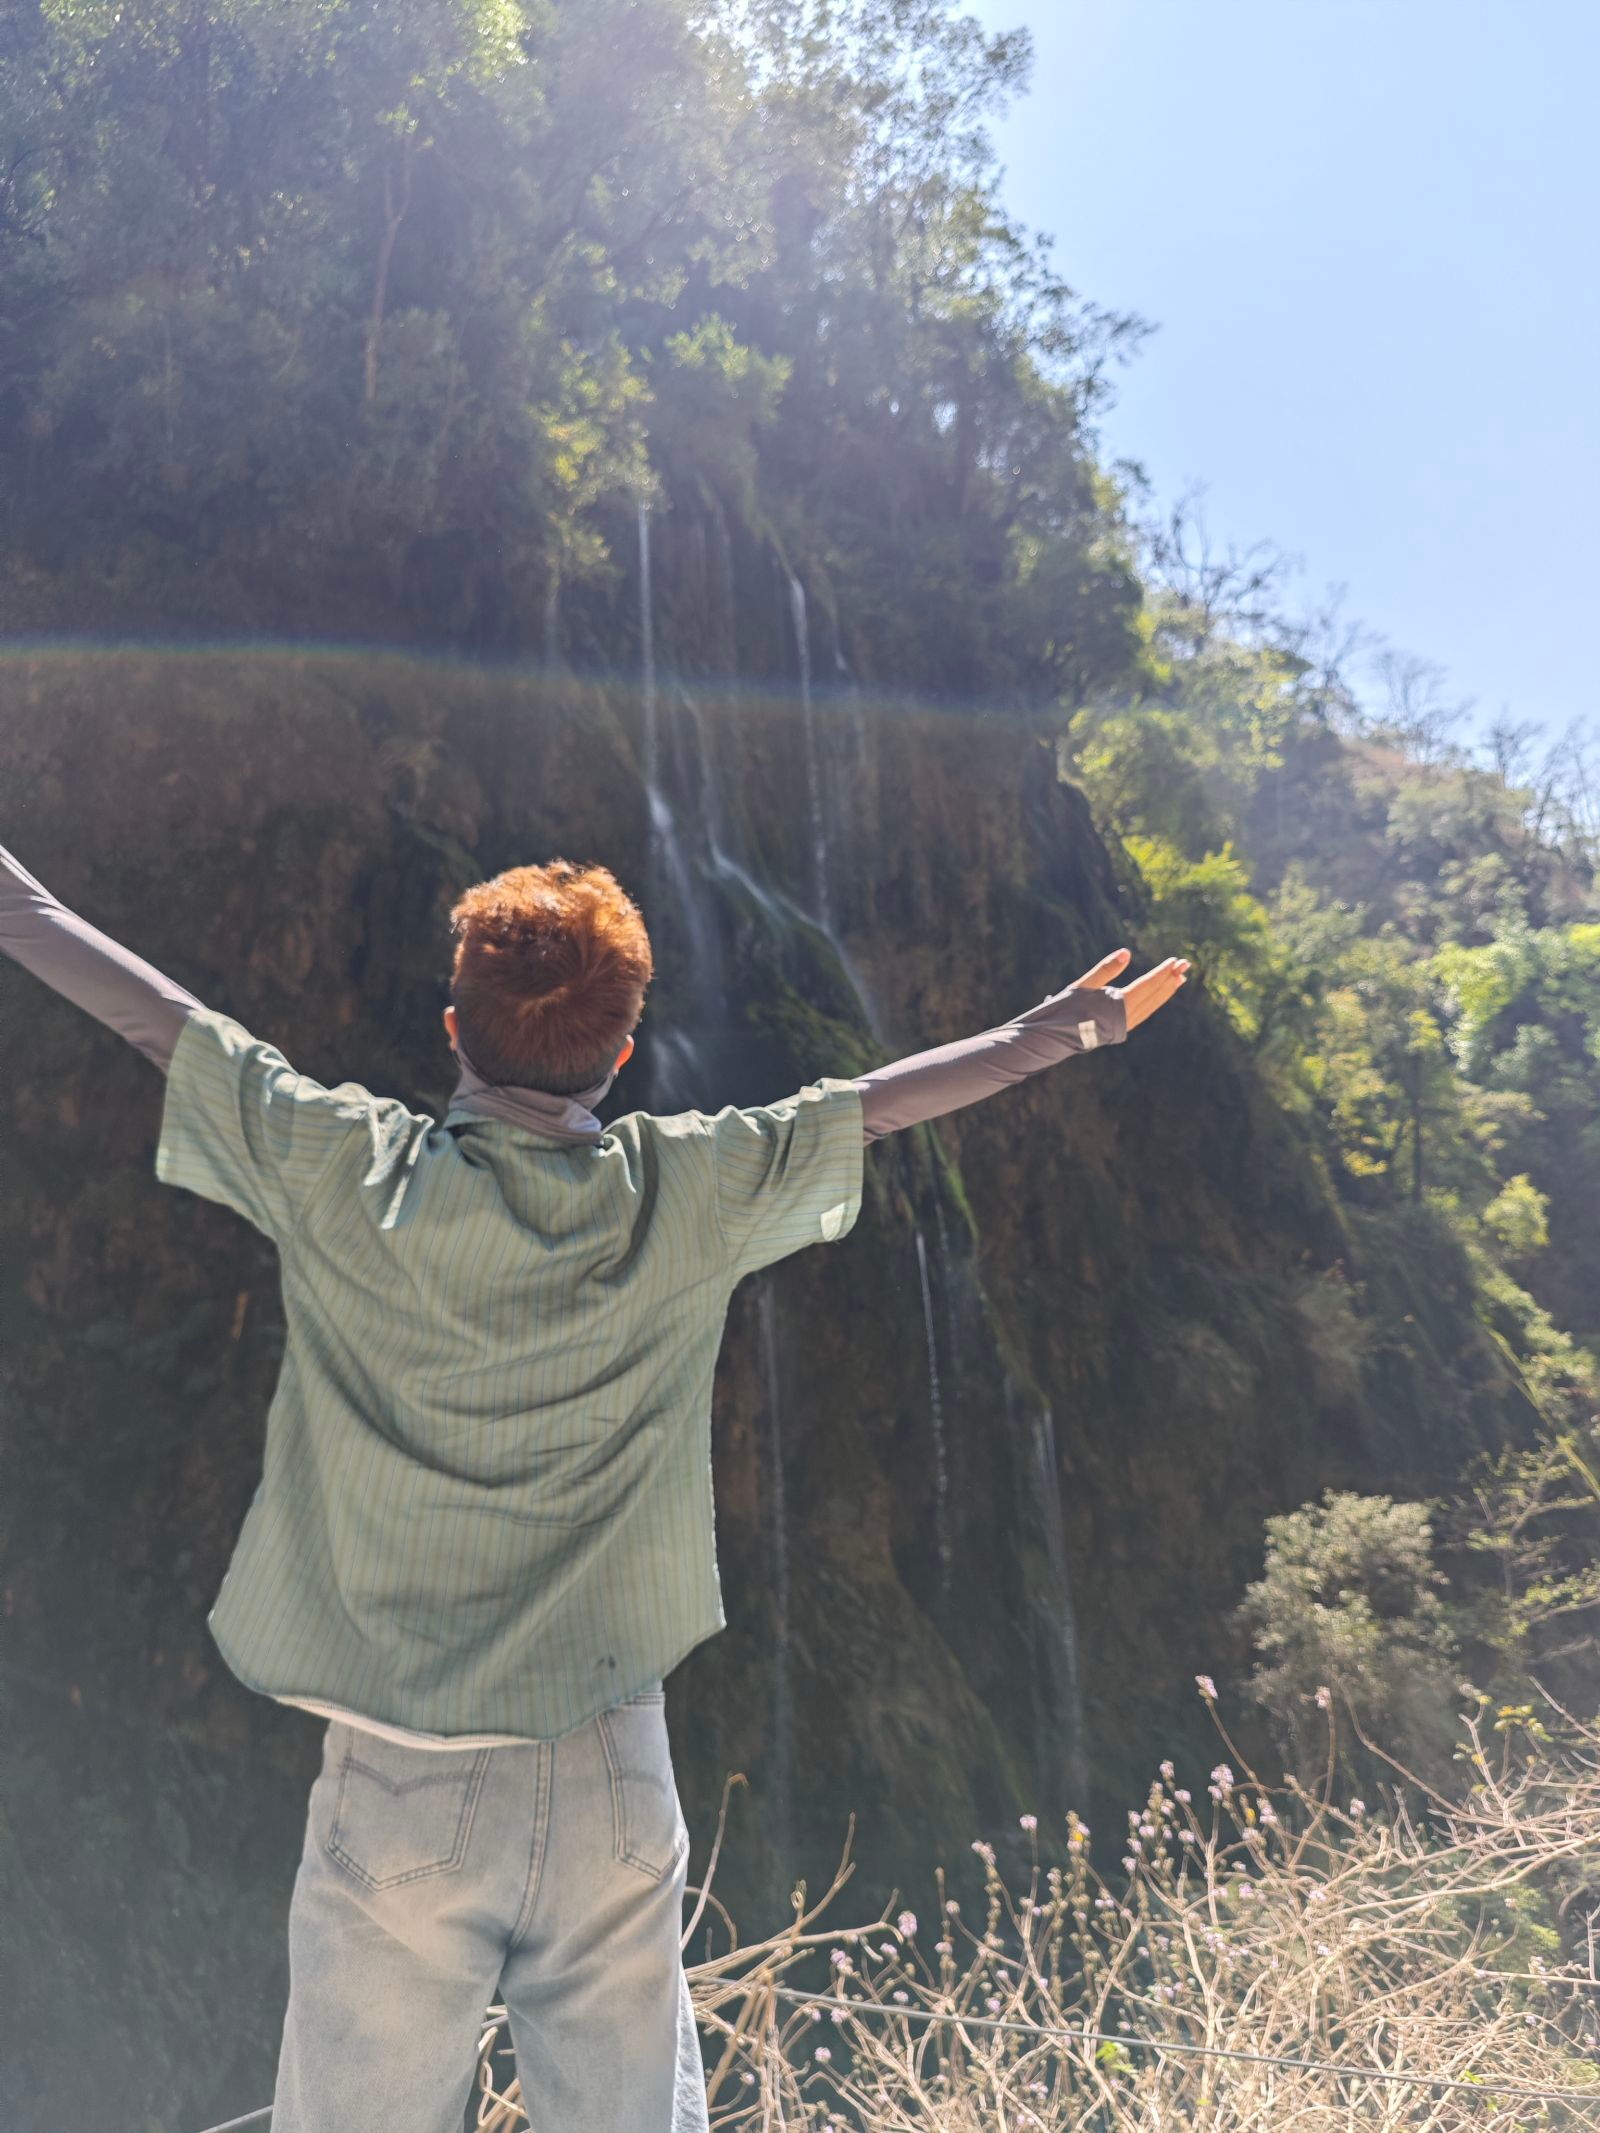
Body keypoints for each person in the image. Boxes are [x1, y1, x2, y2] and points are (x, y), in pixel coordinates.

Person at [0, 831, 1188, 2131]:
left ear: (456, 1025)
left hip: (402, 1778)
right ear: (622, 1054)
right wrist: (1055, 1034)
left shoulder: (343, 1167)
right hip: (613, 1762)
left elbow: (159, 1019)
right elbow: (869, 1103)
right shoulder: (683, 1189)